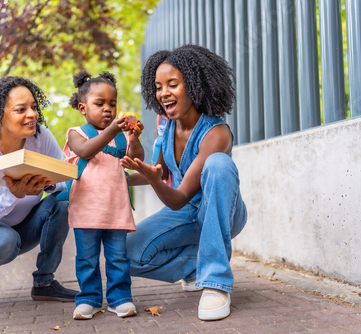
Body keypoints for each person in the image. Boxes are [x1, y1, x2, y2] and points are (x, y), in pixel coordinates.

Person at [121, 45, 248, 321]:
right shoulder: (166, 126)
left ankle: (216, 281)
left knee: (218, 164)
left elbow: (176, 197)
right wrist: (120, 176)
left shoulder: (217, 132)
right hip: (185, 212)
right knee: (123, 253)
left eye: (172, 84)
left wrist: (155, 180)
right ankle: (195, 269)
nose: (163, 93)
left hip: (218, 209)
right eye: (157, 87)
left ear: (195, 85)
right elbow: (155, 171)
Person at [0, 76, 78, 310]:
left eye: (34, 107)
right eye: (21, 109)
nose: (32, 114)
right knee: (3, 238)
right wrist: (12, 194)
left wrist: (46, 185)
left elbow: (65, 178)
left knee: (61, 203)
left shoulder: (40, 136)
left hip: (22, 228)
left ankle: (44, 283)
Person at [63, 71, 144, 320]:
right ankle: (89, 298)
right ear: (83, 107)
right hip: (85, 210)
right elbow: (86, 151)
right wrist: (110, 130)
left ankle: (120, 298)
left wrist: (133, 138)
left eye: (112, 104)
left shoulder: (119, 136)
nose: (108, 109)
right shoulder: (77, 133)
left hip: (116, 210)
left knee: (118, 258)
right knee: (87, 259)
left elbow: (136, 160)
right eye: (100, 104)